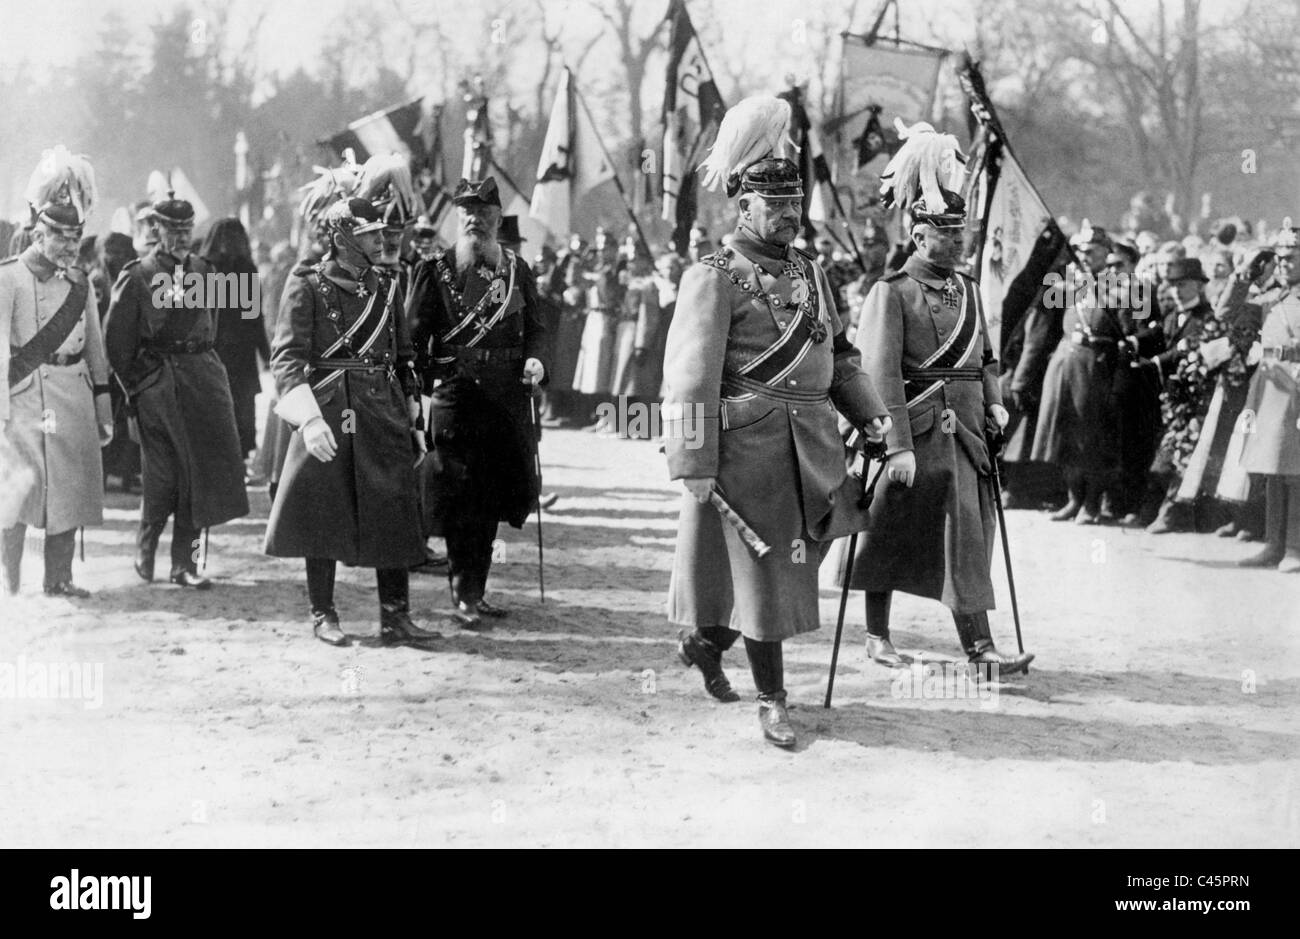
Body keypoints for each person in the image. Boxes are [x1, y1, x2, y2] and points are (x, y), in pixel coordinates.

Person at [664, 96, 891, 748]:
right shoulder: (713, 276)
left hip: (813, 451)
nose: (789, 216)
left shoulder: (813, 274)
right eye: (776, 206)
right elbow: (688, 380)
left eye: (795, 204)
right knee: (766, 578)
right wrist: (695, 464)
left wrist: (872, 417)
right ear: (744, 206)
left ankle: (707, 643)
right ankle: (773, 702)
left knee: (788, 571)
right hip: (746, 453)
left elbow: (840, 358)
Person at [847, 121, 1034, 676]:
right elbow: (877, 372)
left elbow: (987, 357)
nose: (959, 243)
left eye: (962, 234)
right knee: (884, 531)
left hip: (969, 433)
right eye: (947, 235)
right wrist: (896, 445)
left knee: (967, 536)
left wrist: (994, 400)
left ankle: (980, 649)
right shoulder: (892, 293)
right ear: (919, 234)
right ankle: (876, 635)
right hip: (913, 430)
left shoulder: (972, 290)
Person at [263, 197, 439, 646]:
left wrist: (415, 420)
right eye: (369, 234)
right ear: (342, 237)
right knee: (323, 513)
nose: (382, 240)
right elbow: (286, 359)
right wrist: (308, 420)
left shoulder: (386, 286)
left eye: (381, 233)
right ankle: (323, 613)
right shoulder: (307, 284)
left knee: (395, 509)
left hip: (383, 410)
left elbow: (403, 359)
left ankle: (395, 618)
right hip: (329, 411)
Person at [406, 177, 548, 625]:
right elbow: (413, 336)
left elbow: (538, 328)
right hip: (457, 397)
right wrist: (434, 380)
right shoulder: (434, 269)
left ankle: (477, 588)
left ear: (496, 219)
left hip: (505, 397)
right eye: (465, 213)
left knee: (492, 494)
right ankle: (461, 591)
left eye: (483, 214)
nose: (474, 220)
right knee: (460, 494)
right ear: (457, 218)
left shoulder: (517, 271)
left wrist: (536, 362)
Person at [104, 191, 249, 589]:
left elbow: (212, 326)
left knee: (199, 474)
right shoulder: (136, 276)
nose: (182, 237)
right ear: (156, 229)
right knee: (163, 474)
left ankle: (184, 563)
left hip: (203, 380)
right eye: (173, 229)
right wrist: (139, 387)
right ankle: (146, 546)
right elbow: (116, 344)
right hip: (159, 383)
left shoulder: (207, 271)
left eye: (187, 229)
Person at [1, 146, 113, 597]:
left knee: (68, 490)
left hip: (72, 394)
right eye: (61, 237)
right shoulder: (7, 279)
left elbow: (96, 349)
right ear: (37, 233)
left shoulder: (80, 283)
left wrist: (103, 407)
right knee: (18, 493)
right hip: (24, 396)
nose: (70, 246)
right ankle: (8, 582)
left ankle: (59, 578)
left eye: (75, 238)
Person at [1031, 223, 1124, 524]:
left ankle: (1092, 503)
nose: (1085, 255)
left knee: (1090, 435)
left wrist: (1089, 284)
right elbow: (1046, 297)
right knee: (1063, 432)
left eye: (1092, 250)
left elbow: (1119, 311)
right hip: (1065, 357)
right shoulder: (1068, 282)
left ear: (1106, 252)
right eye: (1081, 250)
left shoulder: (1121, 283)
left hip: (1094, 361)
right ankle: (1074, 498)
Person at [1237, 227, 1300, 571]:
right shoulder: (1273, 296)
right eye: (1280, 258)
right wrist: (1245, 272)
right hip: (1271, 385)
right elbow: (1228, 312)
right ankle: (1272, 545)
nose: (1284, 264)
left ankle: (1294, 547)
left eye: (1291, 258)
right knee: (1273, 468)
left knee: (1296, 470)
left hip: (1296, 385)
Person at [1141, 258, 1218, 533]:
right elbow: (1160, 335)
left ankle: (1171, 514)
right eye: (1172, 285)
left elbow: (1184, 351)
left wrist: (1155, 362)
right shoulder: (1174, 315)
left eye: (1182, 285)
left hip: (1194, 398)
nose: (1175, 291)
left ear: (1198, 285)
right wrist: (1136, 344)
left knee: (1181, 456)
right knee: (1168, 455)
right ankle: (1164, 511)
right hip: (1173, 397)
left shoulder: (1206, 319)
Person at [201, 218, 270, 466]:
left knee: (212, 404)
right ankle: (237, 460)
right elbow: (254, 317)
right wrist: (266, 353)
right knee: (240, 406)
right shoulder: (247, 270)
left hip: (211, 348)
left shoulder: (204, 269)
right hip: (241, 350)